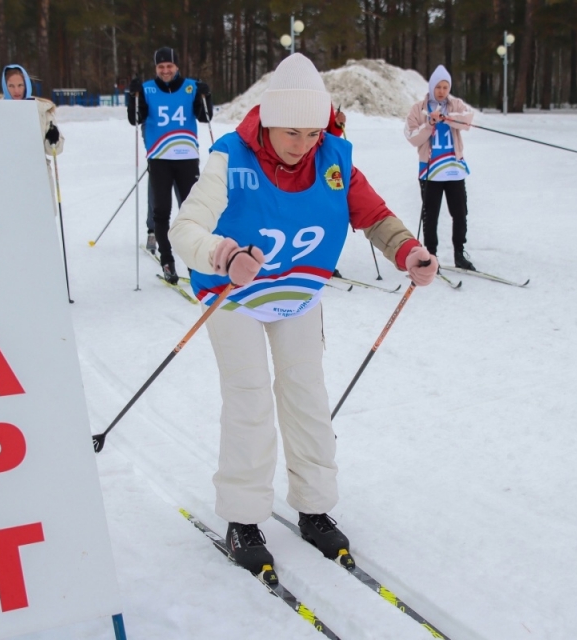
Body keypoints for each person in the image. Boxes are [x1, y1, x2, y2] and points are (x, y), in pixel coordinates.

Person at [168, 53, 437, 579]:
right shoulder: (231, 157)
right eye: (292, 132)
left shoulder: (333, 155)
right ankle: (243, 518)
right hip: (235, 294)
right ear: (268, 120)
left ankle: (314, 507)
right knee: (249, 402)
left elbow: (375, 215)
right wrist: (223, 253)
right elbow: (185, 230)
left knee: (307, 399)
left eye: (313, 132)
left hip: (297, 294)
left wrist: (408, 251)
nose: (303, 145)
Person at [127, 47, 212, 284]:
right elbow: (135, 119)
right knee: (161, 212)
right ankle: (168, 261)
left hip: (186, 157)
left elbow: (205, 117)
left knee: (190, 212)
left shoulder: (190, 87)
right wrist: (132, 97)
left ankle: (195, 263)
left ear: (177, 67)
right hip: (160, 158)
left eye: (169, 66)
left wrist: (207, 95)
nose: (165, 70)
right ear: (156, 68)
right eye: (161, 67)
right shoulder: (147, 89)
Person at [404, 64, 476, 271]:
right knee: (431, 214)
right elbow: (412, 137)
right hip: (430, 171)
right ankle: (431, 255)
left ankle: (459, 253)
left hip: (454, 169)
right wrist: (429, 123)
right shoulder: (418, 108)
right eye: (438, 87)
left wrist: (448, 118)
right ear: (432, 87)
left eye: (445, 87)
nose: (442, 91)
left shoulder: (456, 104)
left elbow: (468, 121)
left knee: (460, 212)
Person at [2, 64, 64, 216]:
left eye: (20, 85)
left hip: (37, 173)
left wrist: (52, 138)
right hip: (8, 175)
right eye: (11, 86)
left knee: (40, 217)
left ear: (27, 85)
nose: (16, 91)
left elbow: (54, 150)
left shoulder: (41, 110)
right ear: (5, 86)